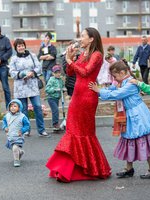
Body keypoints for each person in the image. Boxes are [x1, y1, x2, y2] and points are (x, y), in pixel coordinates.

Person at [46, 27, 111, 182]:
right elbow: (70, 73)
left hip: (88, 97)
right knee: (72, 130)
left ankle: (89, 168)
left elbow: (85, 72)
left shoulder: (97, 55)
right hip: (77, 96)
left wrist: (70, 61)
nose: (80, 39)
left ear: (91, 39)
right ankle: (69, 168)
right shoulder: (83, 54)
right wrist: (69, 58)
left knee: (83, 132)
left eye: (83, 36)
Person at [89, 60, 150, 179]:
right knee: (128, 140)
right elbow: (112, 90)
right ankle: (129, 168)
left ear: (122, 72)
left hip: (137, 116)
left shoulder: (130, 84)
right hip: (130, 115)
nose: (114, 79)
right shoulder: (121, 82)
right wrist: (99, 90)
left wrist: (99, 91)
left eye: (115, 76)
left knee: (142, 139)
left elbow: (117, 94)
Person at [9, 38, 50, 137]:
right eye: (19, 46)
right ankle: (26, 130)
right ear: (16, 48)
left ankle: (41, 130)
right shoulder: (13, 59)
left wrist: (32, 73)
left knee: (37, 107)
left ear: (25, 46)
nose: (21, 47)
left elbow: (38, 68)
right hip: (20, 87)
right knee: (23, 110)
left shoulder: (32, 55)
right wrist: (22, 73)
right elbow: (11, 72)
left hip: (32, 85)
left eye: (22, 45)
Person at [2, 99, 30, 167]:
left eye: (15, 106)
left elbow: (27, 125)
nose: (13, 108)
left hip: (18, 135)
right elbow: (4, 122)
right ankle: (20, 152)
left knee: (15, 148)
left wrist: (23, 130)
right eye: (11, 106)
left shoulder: (22, 116)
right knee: (13, 148)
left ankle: (16, 160)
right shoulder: (7, 116)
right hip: (10, 135)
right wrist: (5, 127)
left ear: (19, 108)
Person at [45, 64, 64, 131]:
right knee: (55, 110)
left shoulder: (60, 80)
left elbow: (62, 87)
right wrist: (55, 89)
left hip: (57, 98)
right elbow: (47, 89)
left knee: (56, 111)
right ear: (53, 73)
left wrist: (63, 89)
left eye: (59, 72)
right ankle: (55, 124)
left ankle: (56, 123)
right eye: (56, 73)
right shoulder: (51, 80)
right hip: (51, 98)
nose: (58, 74)